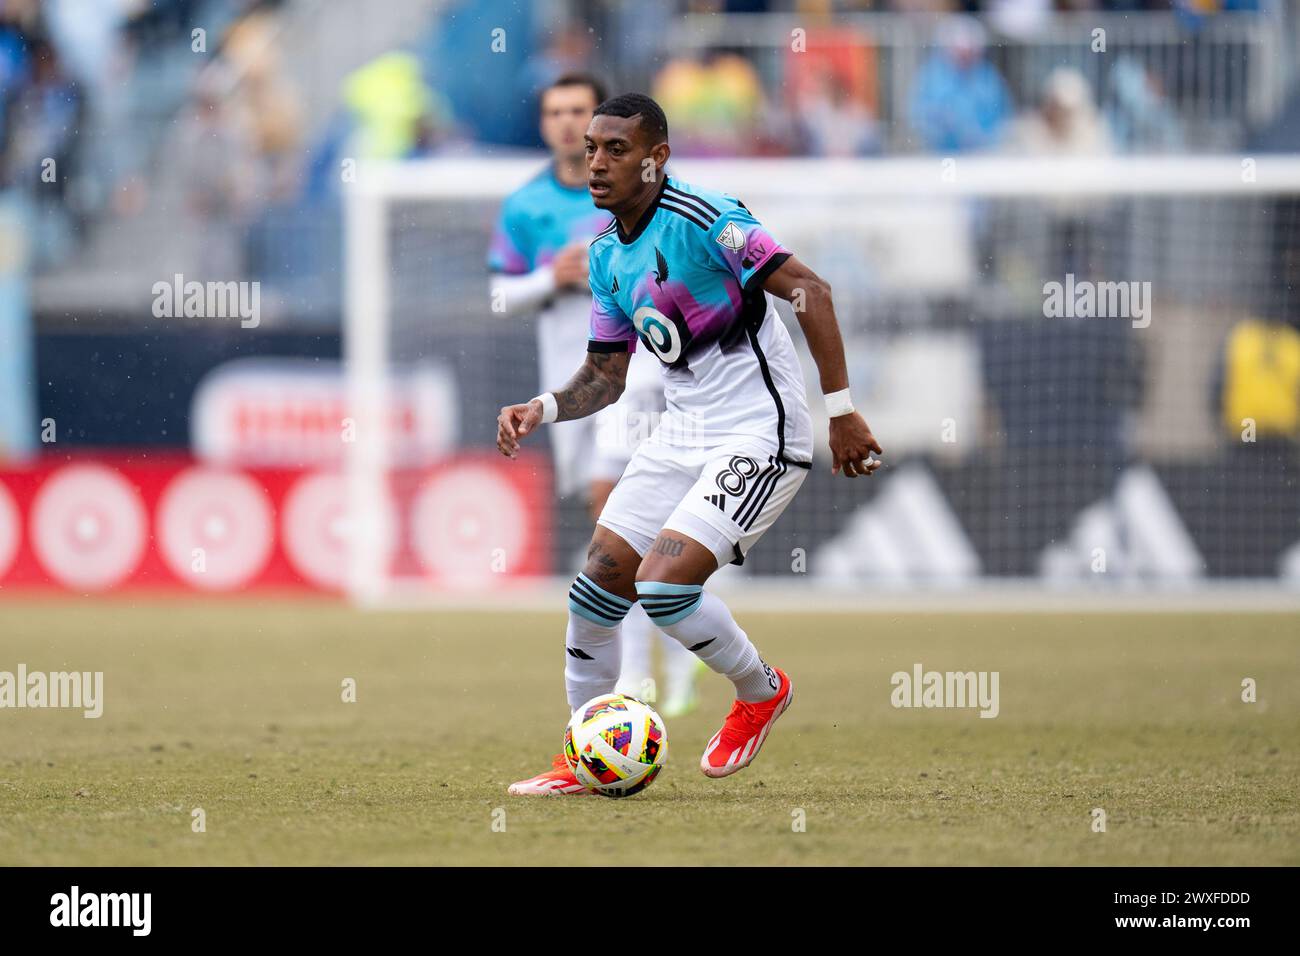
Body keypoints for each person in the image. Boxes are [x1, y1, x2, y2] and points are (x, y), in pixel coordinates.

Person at [497, 93, 882, 795]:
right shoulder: (608, 257)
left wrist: (842, 412)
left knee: (664, 586)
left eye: (616, 149)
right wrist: (544, 408)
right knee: (597, 583)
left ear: (657, 157)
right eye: (590, 149)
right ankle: (585, 756)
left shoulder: (710, 220)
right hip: (680, 433)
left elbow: (812, 292)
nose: (597, 163)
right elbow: (606, 377)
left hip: (760, 432)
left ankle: (761, 691)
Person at [487, 76, 701, 718]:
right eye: (554, 112)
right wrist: (547, 278)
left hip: (636, 377)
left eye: (577, 111)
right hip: (573, 381)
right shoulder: (525, 205)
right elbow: (498, 295)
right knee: (613, 525)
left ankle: (643, 674)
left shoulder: (640, 189)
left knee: (619, 518)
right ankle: (670, 656)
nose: (564, 123)